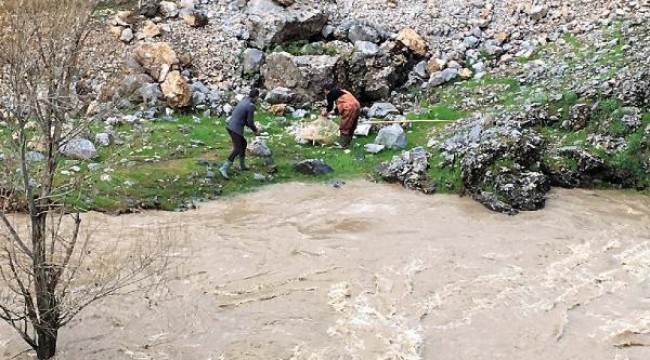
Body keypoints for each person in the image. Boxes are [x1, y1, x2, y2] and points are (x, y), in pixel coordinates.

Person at [219, 89, 261, 179]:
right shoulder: (250, 106)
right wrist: (255, 130)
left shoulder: (243, 101)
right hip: (235, 129)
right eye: (257, 97)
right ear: (256, 97)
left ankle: (242, 166)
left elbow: (244, 119)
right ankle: (224, 168)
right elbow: (249, 122)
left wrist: (253, 128)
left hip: (230, 126)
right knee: (237, 148)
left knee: (244, 144)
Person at [320, 83, 361, 148]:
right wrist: (333, 112)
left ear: (325, 90)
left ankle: (342, 145)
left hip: (349, 107)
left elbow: (330, 107)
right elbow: (340, 106)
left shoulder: (330, 94)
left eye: (323, 91)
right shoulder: (341, 91)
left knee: (345, 125)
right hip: (357, 105)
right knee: (352, 125)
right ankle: (347, 143)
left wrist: (325, 113)